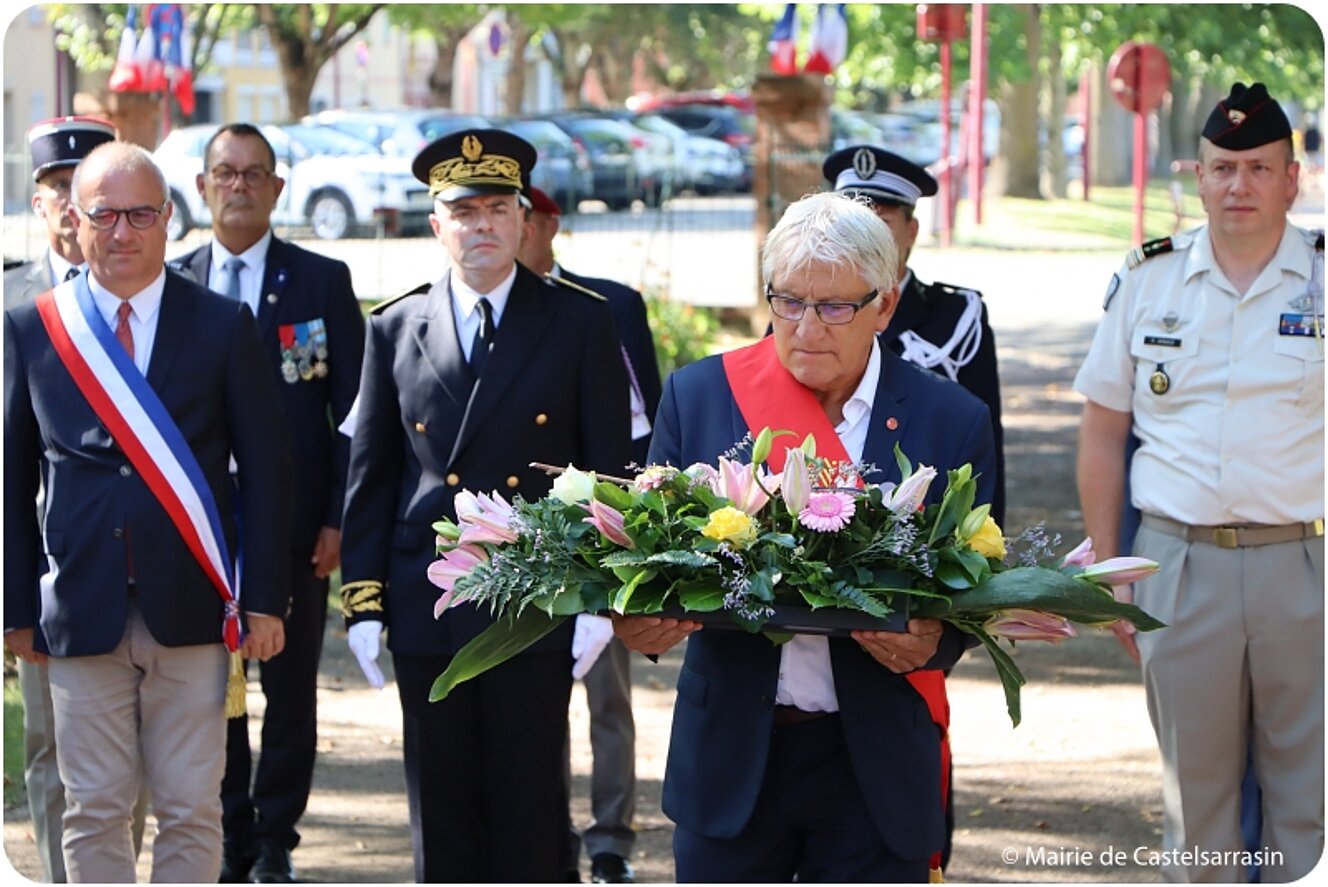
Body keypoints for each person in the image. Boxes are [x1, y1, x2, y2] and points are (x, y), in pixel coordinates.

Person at [613, 191, 997, 882]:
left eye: (833, 307)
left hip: (874, 760)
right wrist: (633, 616)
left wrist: (939, 641)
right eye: (787, 301)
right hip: (731, 752)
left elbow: (976, 586)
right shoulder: (699, 396)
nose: (806, 327)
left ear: (884, 304)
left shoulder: (952, 420)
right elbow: (652, 556)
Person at [338, 129, 633, 882]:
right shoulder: (395, 324)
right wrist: (363, 602)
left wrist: (602, 593)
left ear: (526, 220)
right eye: (462, 211)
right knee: (441, 810)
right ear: (435, 224)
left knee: (530, 803)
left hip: (536, 597)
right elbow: (373, 475)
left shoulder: (579, 321)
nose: (481, 226)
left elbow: (607, 473)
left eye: (498, 209)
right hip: (429, 594)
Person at [3, 141, 292, 882]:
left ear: (168, 218)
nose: (122, 232)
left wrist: (263, 600)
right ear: (76, 218)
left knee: (191, 806)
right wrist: (13, 603)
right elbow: (10, 475)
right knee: (92, 806)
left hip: (193, 604)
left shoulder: (223, 324)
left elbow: (266, 471)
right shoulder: (34, 327)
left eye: (140, 214)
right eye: (105, 214)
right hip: (79, 608)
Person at [1075, 81, 1323, 882]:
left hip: (1306, 562)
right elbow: (1104, 428)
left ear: (1294, 177)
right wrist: (1111, 568)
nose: (1239, 186)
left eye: (1258, 168)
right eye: (1223, 168)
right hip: (1179, 566)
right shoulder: (1149, 277)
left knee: (1309, 806)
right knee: (1198, 809)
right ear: (1199, 175)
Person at [176, 122, 365, 884]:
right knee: (210, 686)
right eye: (226, 172)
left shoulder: (319, 280)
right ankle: (225, 825)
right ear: (202, 186)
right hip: (200, 526)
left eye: (255, 174)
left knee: (289, 687)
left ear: (278, 188)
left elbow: (354, 410)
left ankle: (274, 834)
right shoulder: (176, 277)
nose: (239, 186)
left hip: (292, 525)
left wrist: (337, 516)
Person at [2, 115, 151, 885]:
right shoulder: (10, 302)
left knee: (123, 751)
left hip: (136, 569)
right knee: (52, 748)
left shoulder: (149, 296)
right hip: (41, 566)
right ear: (39, 202)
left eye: (81, 185)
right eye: (56, 188)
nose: (70, 202)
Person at [518, 185, 660, 884]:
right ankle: (539, 830)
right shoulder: (479, 307)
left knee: (608, 692)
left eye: (522, 218)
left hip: (599, 530)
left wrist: (630, 533)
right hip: (515, 543)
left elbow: (647, 425)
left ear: (548, 224)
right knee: (524, 694)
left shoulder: (606, 306)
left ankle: (611, 839)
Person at [822, 145, 1005, 525]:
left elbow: (983, 444)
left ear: (912, 231)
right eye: (851, 224)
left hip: (923, 524)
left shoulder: (957, 316)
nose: (863, 242)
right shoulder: (799, 315)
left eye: (881, 224)